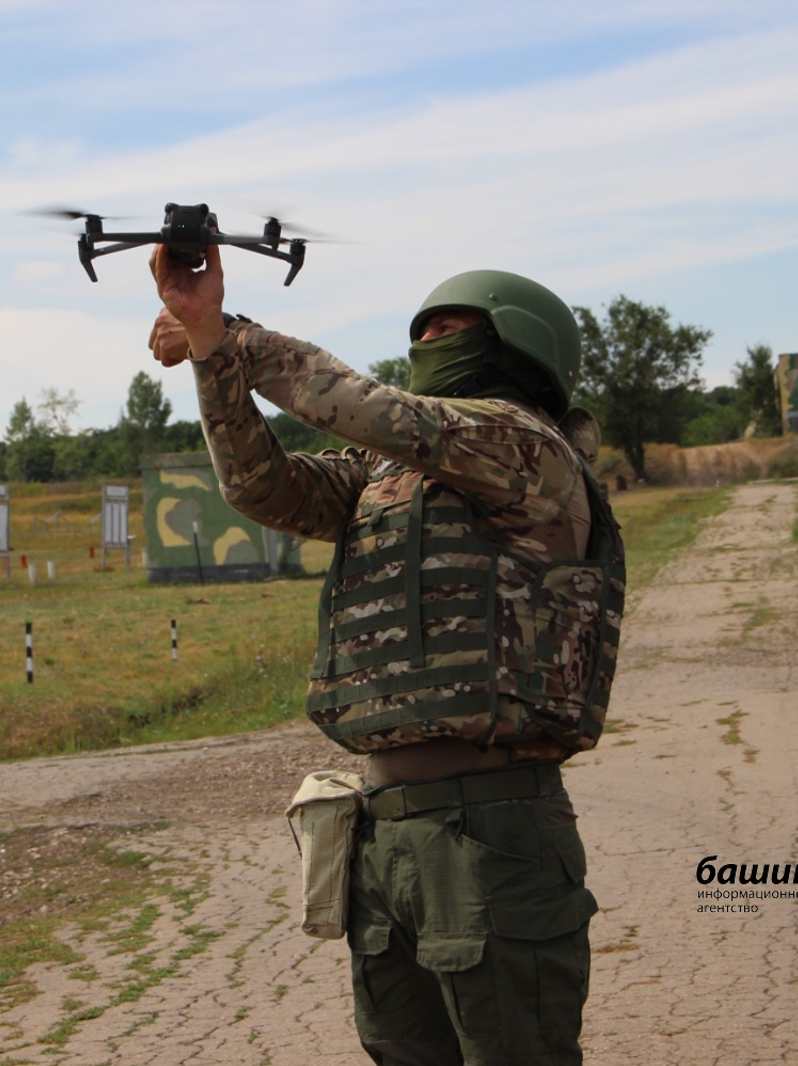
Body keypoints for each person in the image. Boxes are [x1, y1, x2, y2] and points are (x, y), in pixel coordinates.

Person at [148, 244, 623, 1066]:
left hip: (493, 829)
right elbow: (261, 487)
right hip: (385, 829)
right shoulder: (386, 474)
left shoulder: (524, 446)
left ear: (521, 346)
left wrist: (232, 336)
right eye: (424, 330)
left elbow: (381, 412)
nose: (431, 340)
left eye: (453, 328)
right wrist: (209, 357)